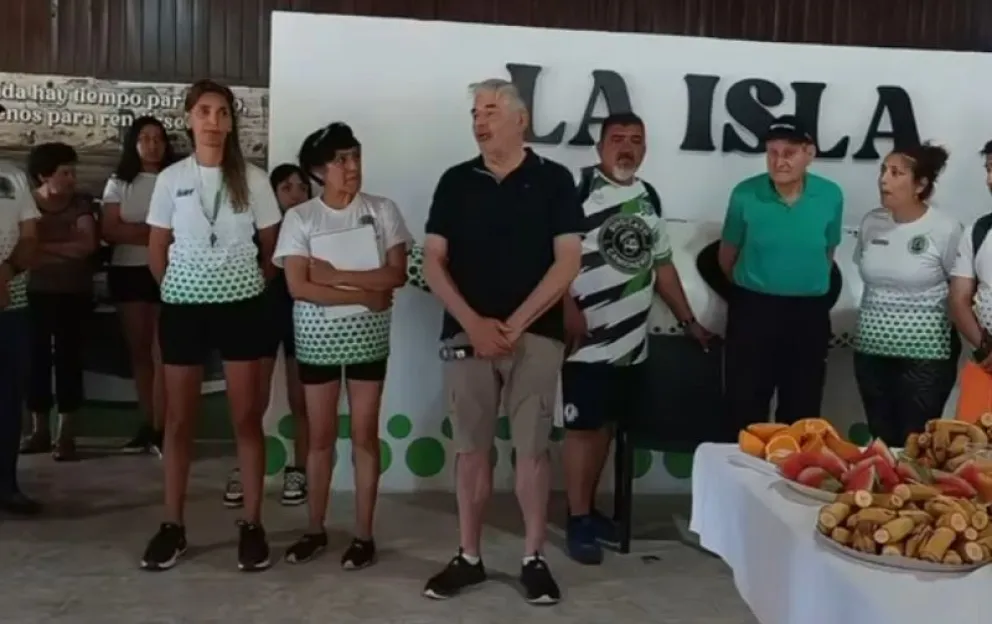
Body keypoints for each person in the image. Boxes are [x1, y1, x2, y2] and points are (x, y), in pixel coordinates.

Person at [421, 78, 582, 605]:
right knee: (471, 449)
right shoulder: (455, 181)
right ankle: (468, 557)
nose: (479, 120)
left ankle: (533, 557)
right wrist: (473, 323)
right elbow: (433, 262)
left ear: (521, 119)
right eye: (474, 112)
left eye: (490, 110)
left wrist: (512, 326)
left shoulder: (554, 179)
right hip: (467, 337)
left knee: (532, 449)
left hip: (535, 337)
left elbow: (568, 263)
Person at [140, 79, 282, 572]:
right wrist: (176, 289)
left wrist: (249, 285)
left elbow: (272, 246)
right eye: (205, 111)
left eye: (223, 113)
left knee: (245, 419)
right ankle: (172, 525)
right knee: (180, 422)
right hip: (184, 309)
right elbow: (157, 247)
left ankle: (252, 524)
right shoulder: (171, 179)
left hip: (242, 307)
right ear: (189, 118)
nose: (215, 122)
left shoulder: (255, 179)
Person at [561, 112, 711, 565]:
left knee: (607, 426)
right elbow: (546, 254)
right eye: (617, 139)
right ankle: (577, 519)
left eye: (636, 140)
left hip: (631, 343)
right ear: (599, 147)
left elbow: (662, 266)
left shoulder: (648, 198)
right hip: (585, 340)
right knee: (582, 429)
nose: (626, 147)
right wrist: (564, 307)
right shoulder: (576, 191)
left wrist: (689, 322)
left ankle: (588, 511)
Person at [275, 123, 410, 568]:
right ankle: (315, 528)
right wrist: (357, 293)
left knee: (365, 436)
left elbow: (395, 275)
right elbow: (299, 285)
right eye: (340, 160)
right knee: (320, 438)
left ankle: (364, 535)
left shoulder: (383, 210)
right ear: (319, 170)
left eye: (355, 156)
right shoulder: (301, 218)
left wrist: (331, 275)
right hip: (316, 342)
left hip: (370, 341)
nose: (351, 167)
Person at [718, 115, 843, 429]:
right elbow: (726, 256)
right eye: (772, 152)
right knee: (744, 406)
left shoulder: (831, 195)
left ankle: (790, 478)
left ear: (809, 154)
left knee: (802, 409)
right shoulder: (744, 194)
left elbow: (827, 253)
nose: (778, 161)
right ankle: (741, 477)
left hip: (808, 315)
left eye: (789, 153)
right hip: (754, 311)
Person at [854, 144, 961, 445]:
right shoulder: (871, 223)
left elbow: (961, 288)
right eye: (883, 171)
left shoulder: (945, 228)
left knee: (915, 444)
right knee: (881, 443)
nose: (883, 180)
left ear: (921, 184)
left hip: (926, 358)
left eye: (896, 173)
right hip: (871, 353)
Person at [223, 164, 311, 509]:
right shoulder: (255, 232)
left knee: (301, 399)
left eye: (302, 187)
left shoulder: (314, 227)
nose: (296, 193)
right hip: (260, 316)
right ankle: (244, 469)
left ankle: (300, 469)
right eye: (287, 187)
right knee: (251, 403)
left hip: (302, 320)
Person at [101, 116, 177, 454]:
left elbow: (182, 230)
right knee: (140, 353)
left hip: (170, 273)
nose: (152, 144)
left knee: (164, 353)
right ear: (134, 143)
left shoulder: (177, 180)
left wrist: (143, 233)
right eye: (145, 138)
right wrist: (157, 234)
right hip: (127, 272)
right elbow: (110, 230)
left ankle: (165, 427)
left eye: (158, 138)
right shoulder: (118, 182)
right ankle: (148, 424)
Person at [21, 142, 98, 462]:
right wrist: (64, 247)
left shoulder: (81, 203)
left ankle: (66, 434)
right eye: (64, 172)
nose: (71, 178)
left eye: (73, 172)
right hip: (34, 294)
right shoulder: (27, 205)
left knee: (70, 361)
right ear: (44, 175)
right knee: (35, 362)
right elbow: (24, 252)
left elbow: (88, 245)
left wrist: (45, 248)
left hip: (73, 293)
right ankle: (39, 431)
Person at [0, 157, 42, 514]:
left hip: (11, 304)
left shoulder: (12, 177)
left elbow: (30, 237)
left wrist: (7, 270)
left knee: (9, 398)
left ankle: (7, 486)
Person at [950, 140, 992, 419]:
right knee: (970, 450)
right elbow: (958, 299)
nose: (990, 180)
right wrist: (984, 348)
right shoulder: (978, 231)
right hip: (986, 363)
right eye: (989, 170)